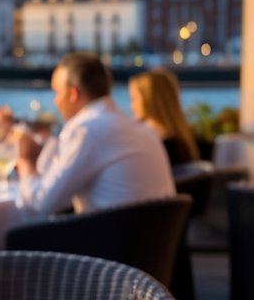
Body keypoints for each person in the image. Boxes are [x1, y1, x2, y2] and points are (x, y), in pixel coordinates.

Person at [16, 52, 175, 215]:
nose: (55, 101)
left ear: (73, 94)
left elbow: (42, 202)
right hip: (157, 237)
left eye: (57, 92)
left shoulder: (85, 130)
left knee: (15, 237)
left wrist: (26, 160)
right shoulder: (140, 129)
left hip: (108, 238)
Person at [128, 69, 200, 166]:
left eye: (134, 98)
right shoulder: (189, 142)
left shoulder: (156, 149)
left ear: (149, 100)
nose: (131, 106)